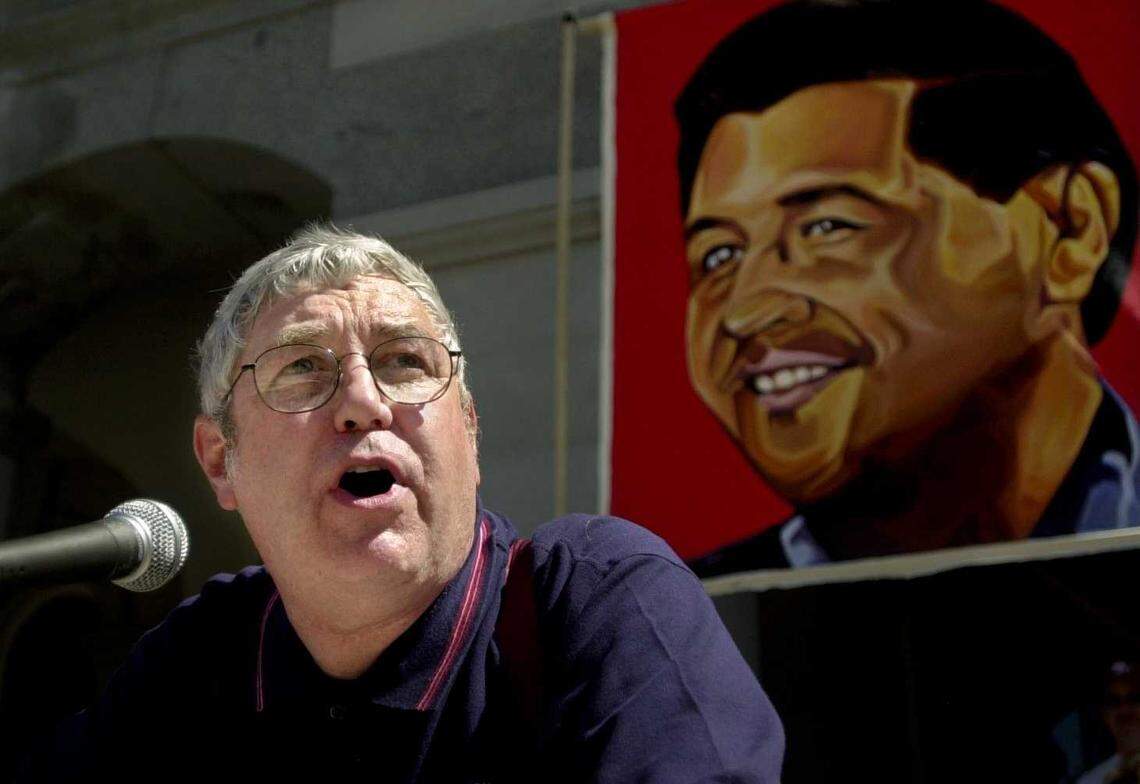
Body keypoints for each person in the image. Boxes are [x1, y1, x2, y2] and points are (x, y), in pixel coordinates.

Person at [16, 225, 784, 781]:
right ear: (222, 460)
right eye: (302, 370)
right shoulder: (199, 663)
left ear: (470, 427)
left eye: (404, 362)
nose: (361, 402)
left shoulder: (595, 600)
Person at [678, 0, 1140, 574]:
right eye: (719, 255)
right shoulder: (685, 626)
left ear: (1068, 228)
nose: (743, 312)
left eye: (828, 227)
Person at [1079, 661, 1140, 784]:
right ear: (1105, 715)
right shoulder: (1090, 781)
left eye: (1134, 699)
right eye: (1114, 702)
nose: (1125, 710)